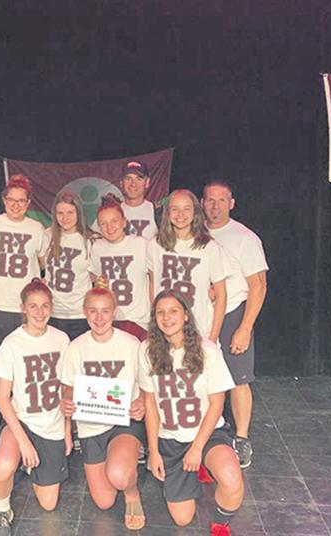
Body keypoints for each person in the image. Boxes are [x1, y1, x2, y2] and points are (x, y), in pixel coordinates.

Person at [140, 290, 244, 536]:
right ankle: (195, 469)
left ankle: (220, 521)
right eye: (160, 312)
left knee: (231, 478)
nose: (167, 317)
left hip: (207, 435)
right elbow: (150, 405)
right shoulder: (147, 349)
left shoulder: (207, 349)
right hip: (171, 439)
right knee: (182, 520)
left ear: (186, 315)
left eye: (173, 311)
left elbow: (217, 404)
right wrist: (153, 452)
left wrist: (197, 448)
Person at [60, 287, 147, 531]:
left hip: (124, 421)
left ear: (114, 312)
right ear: (85, 313)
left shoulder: (131, 344)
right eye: (93, 312)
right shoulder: (76, 347)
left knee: (119, 475)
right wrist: (67, 402)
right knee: (104, 502)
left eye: (105, 311)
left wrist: (142, 403)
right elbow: (67, 388)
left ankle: (132, 492)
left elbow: (148, 385)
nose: (99, 318)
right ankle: (117, 461)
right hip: (91, 426)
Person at [0, 279, 71, 533]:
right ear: (23, 308)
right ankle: (2, 510)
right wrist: (23, 440)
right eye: (33, 306)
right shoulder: (12, 344)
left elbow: (66, 388)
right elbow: (2, 398)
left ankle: (31, 465)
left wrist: (68, 431)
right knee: (4, 467)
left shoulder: (61, 339)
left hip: (52, 425)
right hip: (21, 421)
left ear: (52, 307)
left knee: (49, 505)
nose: (40, 312)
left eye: (45, 306)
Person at [202, 180, 268, 469]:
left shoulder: (244, 238)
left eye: (221, 200)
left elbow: (259, 285)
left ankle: (241, 438)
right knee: (199, 379)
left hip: (232, 315)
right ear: (202, 203)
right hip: (200, 316)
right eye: (210, 200)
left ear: (232, 203)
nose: (215, 205)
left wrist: (244, 327)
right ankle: (203, 432)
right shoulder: (195, 233)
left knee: (238, 381)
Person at [151, 189, 229, 343]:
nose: (180, 214)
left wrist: (212, 338)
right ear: (167, 212)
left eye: (186, 209)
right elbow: (153, 286)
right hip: (166, 329)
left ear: (195, 212)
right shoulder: (155, 245)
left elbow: (221, 295)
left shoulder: (209, 247)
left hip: (200, 330)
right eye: (175, 209)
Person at [0, 174, 45, 353]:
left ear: (28, 202)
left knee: (27, 354)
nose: (16, 205)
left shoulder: (36, 228)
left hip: (27, 305)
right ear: (4, 200)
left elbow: (43, 263)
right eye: (11, 200)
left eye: (21, 201)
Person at [90, 194, 155, 341]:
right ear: (98, 226)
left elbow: (155, 278)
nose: (109, 227)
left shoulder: (141, 244)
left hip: (137, 320)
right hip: (108, 321)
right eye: (104, 223)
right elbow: (94, 278)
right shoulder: (97, 247)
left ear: (124, 222)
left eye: (114, 221)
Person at [39, 191, 94, 339]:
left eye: (70, 212)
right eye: (60, 213)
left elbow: (96, 278)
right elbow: (41, 267)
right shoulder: (47, 236)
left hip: (79, 314)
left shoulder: (89, 240)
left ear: (78, 213)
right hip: (53, 312)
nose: (65, 218)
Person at [91, 160, 158, 240]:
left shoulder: (158, 212)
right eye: (128, 178)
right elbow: (93, 241)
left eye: (139, 179)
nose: (133, 184)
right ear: (121, 183)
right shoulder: (110, 212)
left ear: (147, 182)